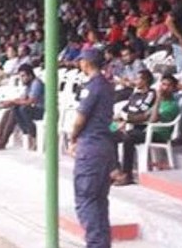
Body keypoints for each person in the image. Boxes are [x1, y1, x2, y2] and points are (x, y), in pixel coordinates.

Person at [67, 48, 115, 248]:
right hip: (104, 145)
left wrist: (72, 137)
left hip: (91, 146)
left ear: (85, 63)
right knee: (99, 200)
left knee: (86, 200)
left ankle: (96, 244)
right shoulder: (107, 85)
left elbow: (80, 119)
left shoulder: (93, 87)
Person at [111, 72, 179, 186]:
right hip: (143, 129)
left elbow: (152, 120)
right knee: (111, 133)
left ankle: (127, 175)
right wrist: (121, 122)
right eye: (163, 84)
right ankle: (115, 170)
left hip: (159, 134)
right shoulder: (136, 95)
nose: (164, 88)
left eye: (168, 85)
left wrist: (157, 100)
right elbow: (144, 115)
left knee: (129, 136)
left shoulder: (172, 105)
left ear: (174, 89)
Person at [0, 64, 45, 150]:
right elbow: (22, 98)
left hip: (42, 111)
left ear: (30, 75)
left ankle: (2, 141)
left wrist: (13, 102)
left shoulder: (36, 83)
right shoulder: (29, 85)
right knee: (10, 111)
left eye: (23, 76)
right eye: (20, 76)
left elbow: (30, 101)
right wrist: (8, 102)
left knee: (16, 109)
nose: (22, 79)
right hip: (31, 110)